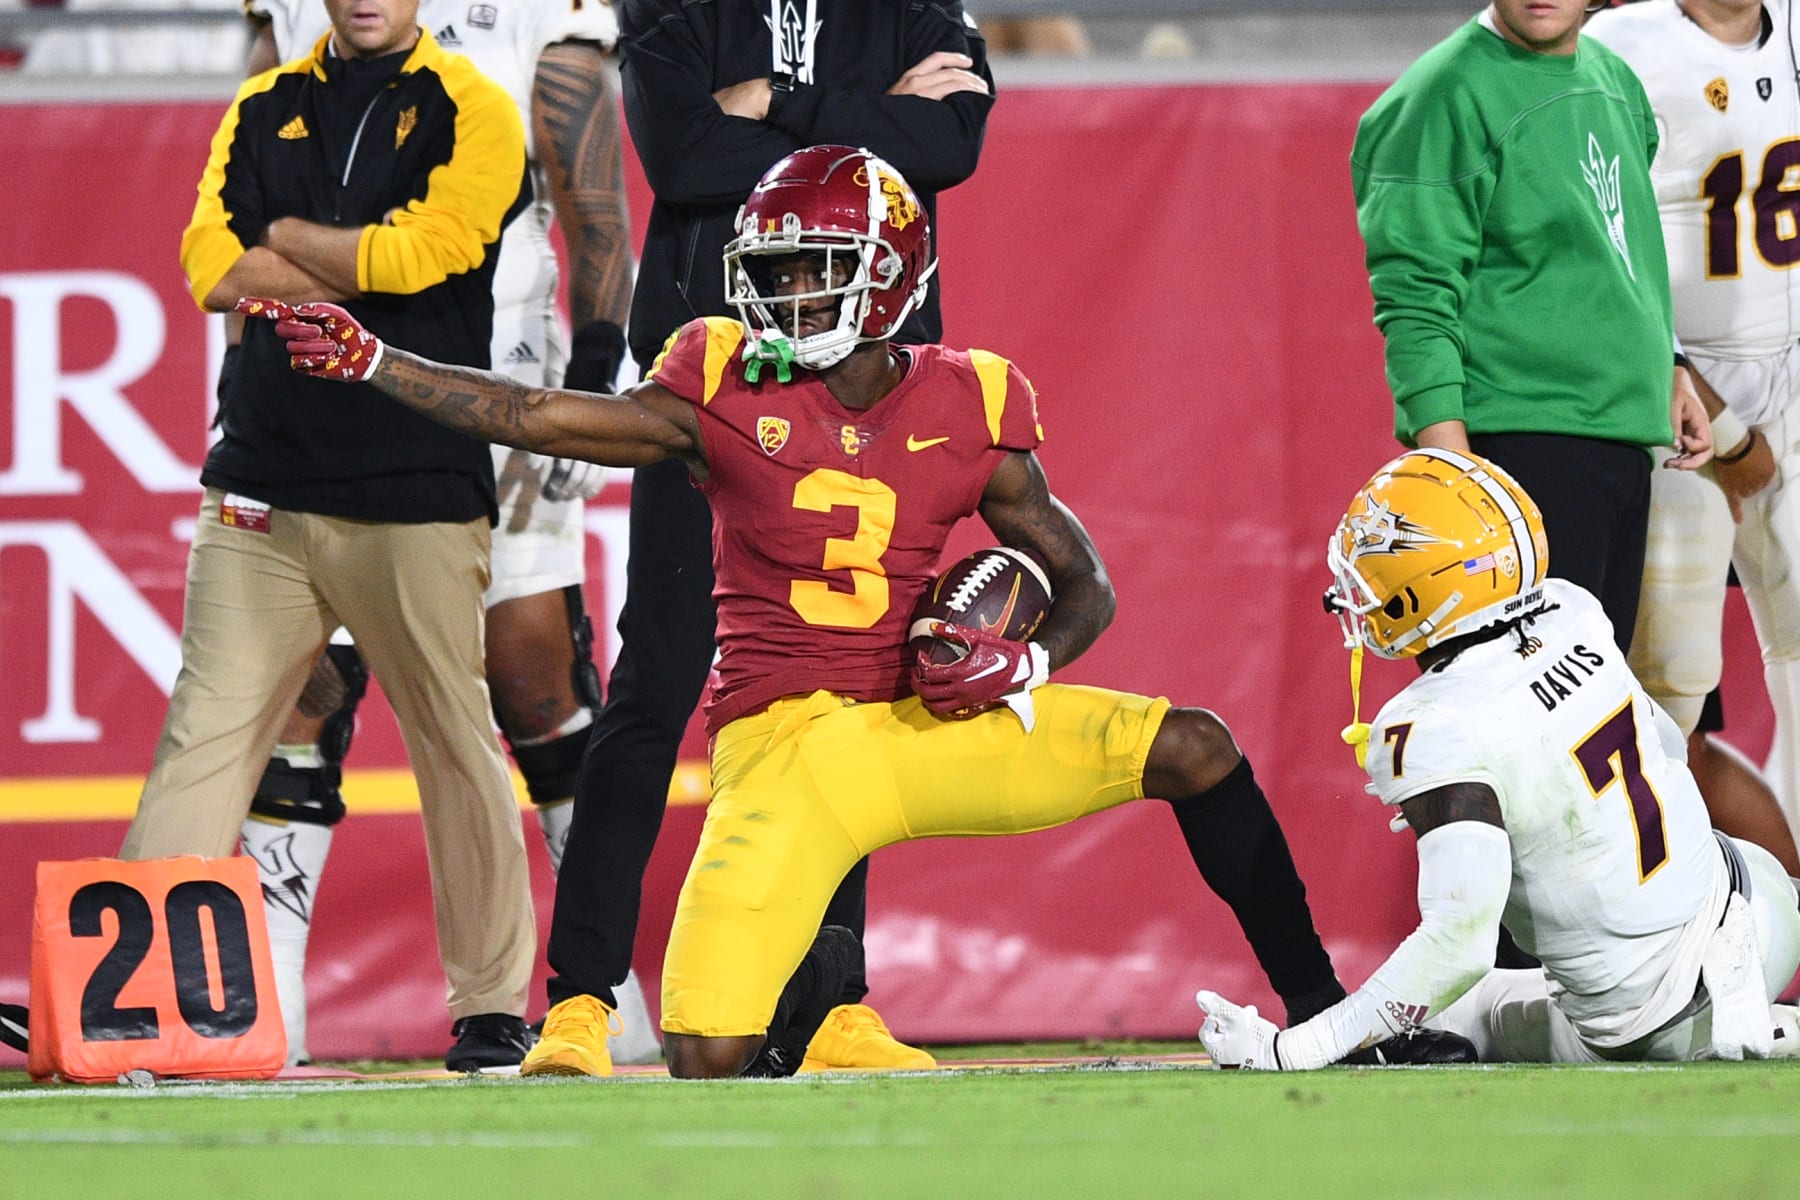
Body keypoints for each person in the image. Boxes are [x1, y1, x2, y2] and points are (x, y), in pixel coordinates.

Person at [238, 144, 1476, 1079]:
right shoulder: (715, 379)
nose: (780, 294)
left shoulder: (972, 395)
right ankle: (800, 1018)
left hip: (925, 724)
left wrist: (1026, 664)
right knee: (709, 1053)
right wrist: (377, 363)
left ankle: (1327, 1015)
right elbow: (542, 417)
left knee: (1197, 745)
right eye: (767, 271)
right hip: (785, 749)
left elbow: (1084, 577)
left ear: (890, 276)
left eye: (810, 270)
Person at [544, 0, 996, 1074]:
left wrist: (782, 106)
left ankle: (834, 1005)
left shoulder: (923, 8)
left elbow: (953, 146)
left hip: (861, 384)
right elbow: (685, 157)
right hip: (710, 368)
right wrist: (865, 122)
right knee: (656, 678)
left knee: (842, 691)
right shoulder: (670, 9)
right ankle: (582, 1001)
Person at [234, 0, 658, 1069]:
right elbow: (241, 195)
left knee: (531, 677)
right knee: (302, 680)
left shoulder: (532, 15)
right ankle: (262, 1010)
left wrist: (599, 366)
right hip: (315, 380)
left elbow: (591, 202)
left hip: (494, 379)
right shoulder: (298, 10)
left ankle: (595, 1001)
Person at [126, 0, 537, 1073]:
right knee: (202, 742)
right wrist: (354, 258)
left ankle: (493, 1007)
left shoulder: (477, 109)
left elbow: (434, 256)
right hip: (260, 481)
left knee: (456, 742)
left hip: (416, 484)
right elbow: (211, 266)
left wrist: (289, 244)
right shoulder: (264, 102)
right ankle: (131, 1005)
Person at [1197, 448, 1800, 1068]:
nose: (1355, 589)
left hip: (1655, 1014)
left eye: (1374, 567)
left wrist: (1294, 1048)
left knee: (1456, 1011)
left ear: (1425, 589)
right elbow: (1667, 752)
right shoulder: (1572, 610)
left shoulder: (1428, 725)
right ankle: (1763, 1011)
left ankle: (1747, 1028)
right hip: (1758, 907)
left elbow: (1458, 946)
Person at [1350, 0, 1714, 658]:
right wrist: (1455, 478)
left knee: (1588, 722)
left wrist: (1669, 363)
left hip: (1624, 446)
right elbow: (1414, 294)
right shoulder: (1440, 94)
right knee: (1518, 731)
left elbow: (1624, 240)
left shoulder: (1614, 79)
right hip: (1518, 455)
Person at [1584, 0, 1800, 861]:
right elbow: (1606, 243)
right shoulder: (1619, 45)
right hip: (1672, 399)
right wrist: (1718, 412)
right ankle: (1679, 957)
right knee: (1663, 702)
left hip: (1792, 370)